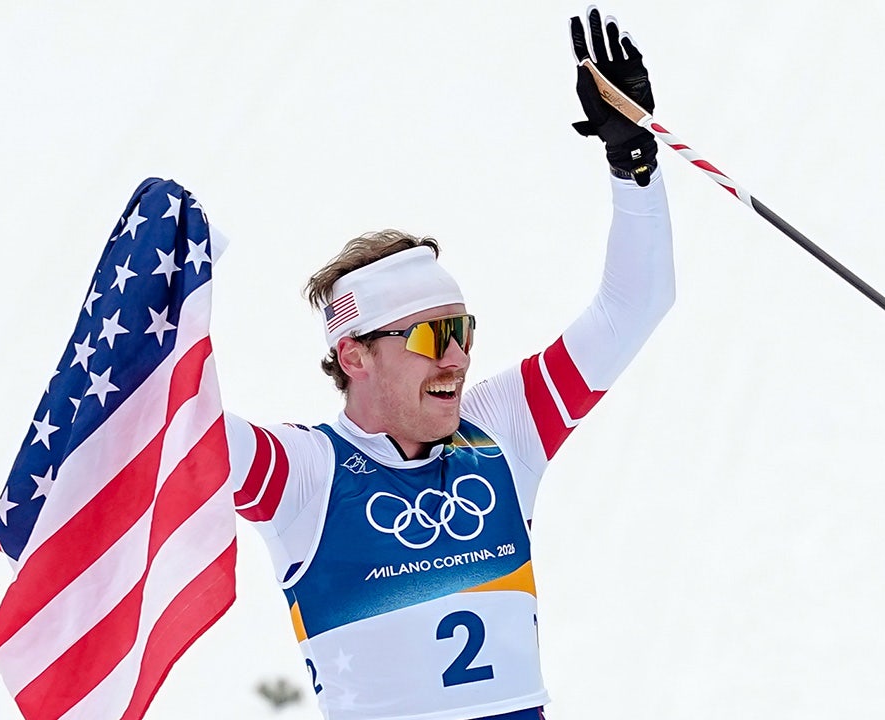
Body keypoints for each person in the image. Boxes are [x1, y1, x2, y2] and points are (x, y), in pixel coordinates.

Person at [227, 9, 674, 720]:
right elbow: (185, 430)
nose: (460, 357)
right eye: (432, 337)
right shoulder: (306, 474)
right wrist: (156, 315)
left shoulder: (501, 428)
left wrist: (634, 163)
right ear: (355, 354)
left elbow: (635, 304)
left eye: (462, 330)